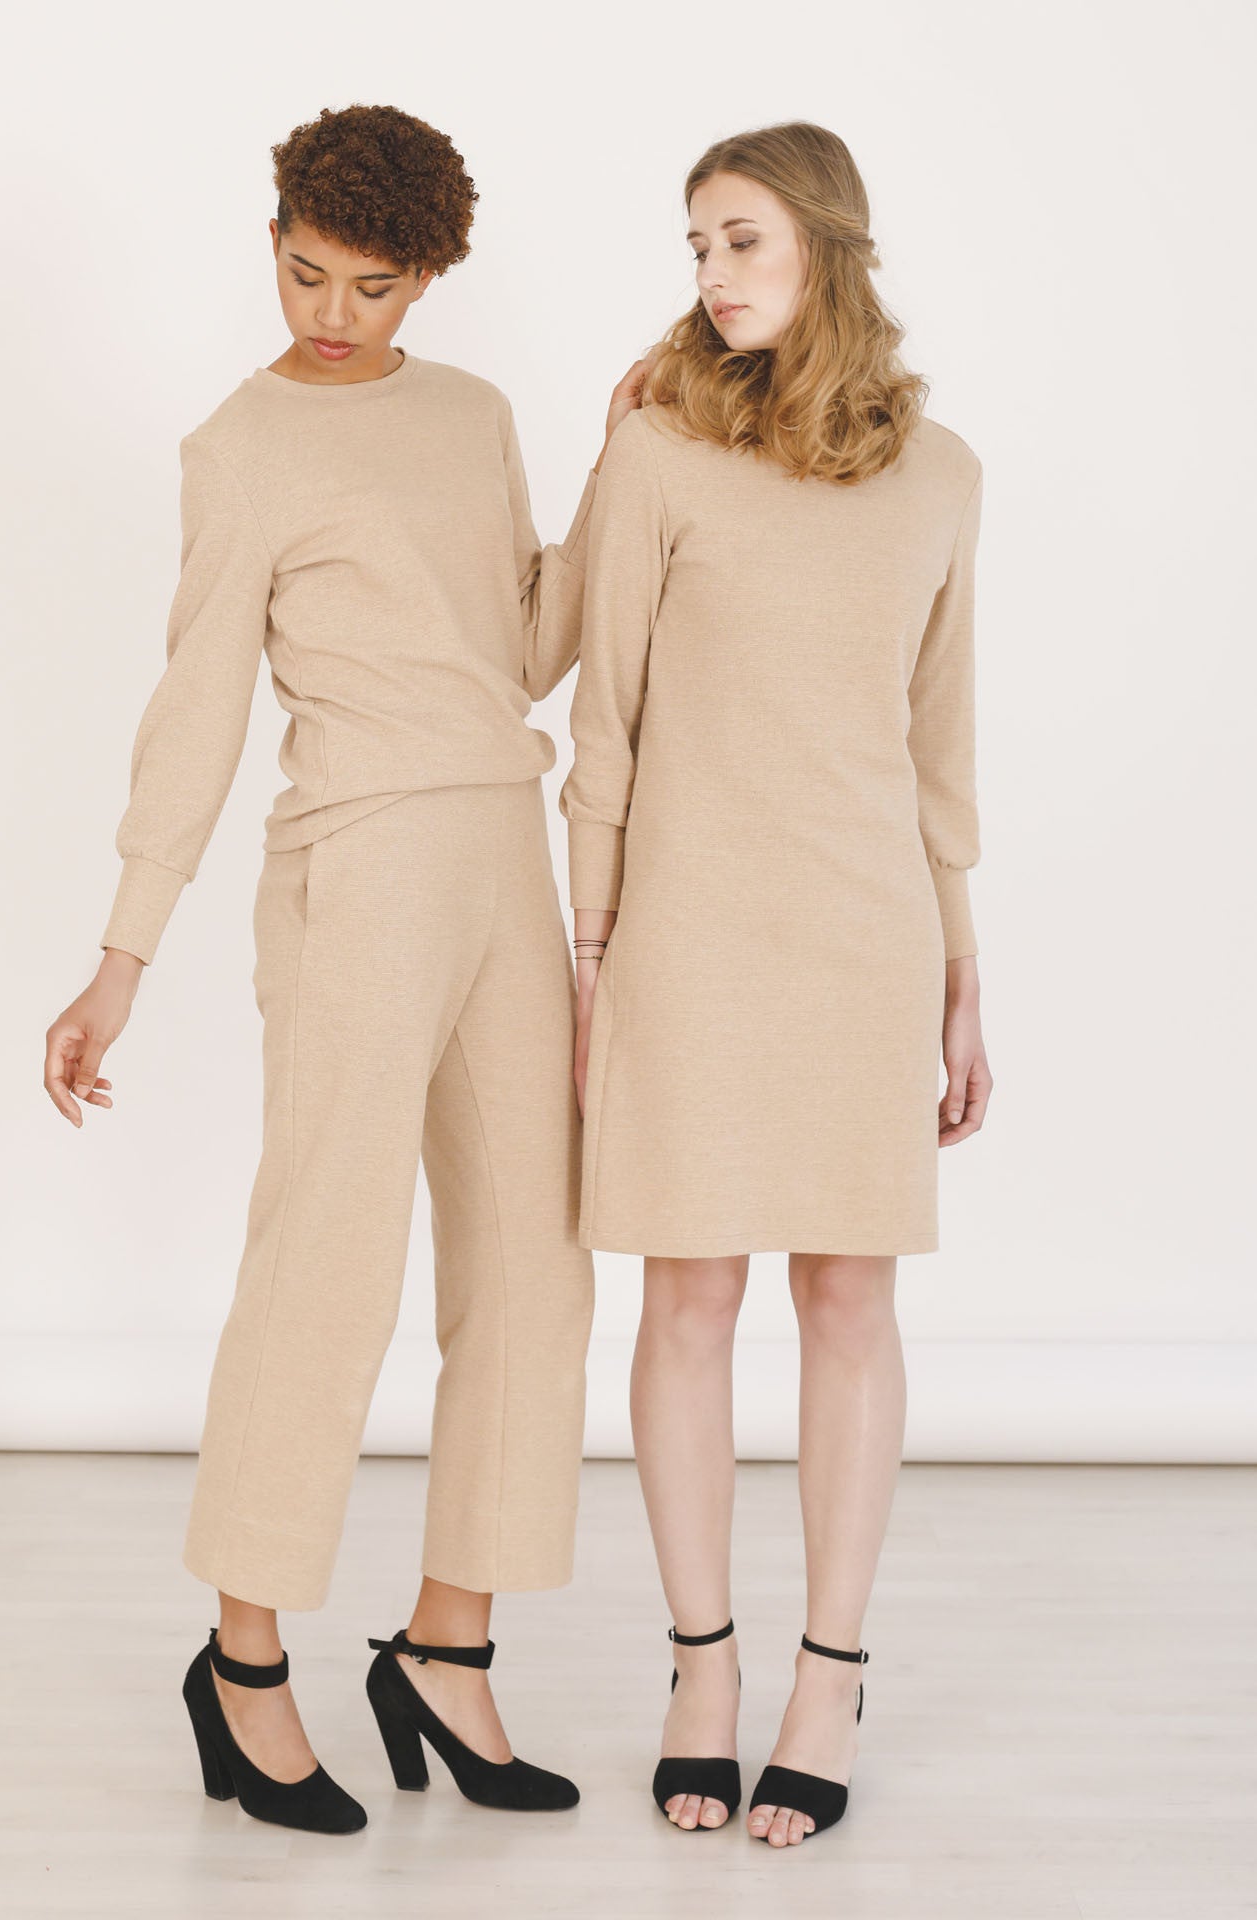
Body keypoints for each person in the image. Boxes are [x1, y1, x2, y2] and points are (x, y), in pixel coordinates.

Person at [43, 102, 648, 1834]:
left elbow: (526, 644)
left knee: (536, 1257)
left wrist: (613, 475)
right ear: (279, 238)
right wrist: (121, 957)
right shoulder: (240, 449)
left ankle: (446, 1646)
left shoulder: (471, 418)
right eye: (306, 271)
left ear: (430, 280)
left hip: (499, 861)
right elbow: (199, 710)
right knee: (329, 1262)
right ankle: (244, 1665)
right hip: (357, 868)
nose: (330, 313)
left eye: (371, 287)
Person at [559, 119, 994, 1848]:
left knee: (847, 1304)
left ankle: (830, 1671)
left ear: (824, 242)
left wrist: (967, 963)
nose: (712, 275)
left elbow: (939, 741)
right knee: (682, 1302)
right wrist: (589, 960)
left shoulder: (944, 473)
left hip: (864, 936)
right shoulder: (659, 452)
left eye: (737, 240)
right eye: (694, 249)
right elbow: (603, 735)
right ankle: (703, 1667)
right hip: (678, 937)